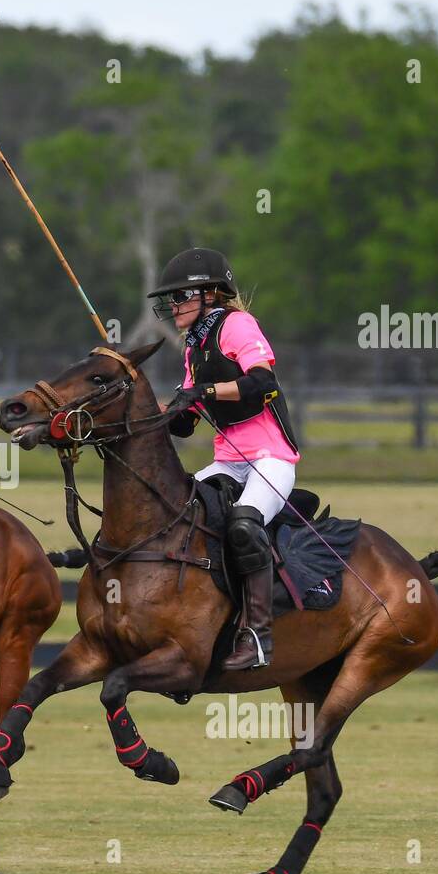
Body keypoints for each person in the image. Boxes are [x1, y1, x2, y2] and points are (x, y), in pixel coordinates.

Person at [154, 248, 300, 670]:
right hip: (228, 460)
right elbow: (186, 423)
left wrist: (204, 392)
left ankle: (257, 636)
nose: (173, 305)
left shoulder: (237, 325)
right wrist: (164, 414)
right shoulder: (193, 347)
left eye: (181, 296)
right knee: (173, 514)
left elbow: (261, 382)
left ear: (210, 294)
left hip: (269, 459)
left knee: (243, 525)